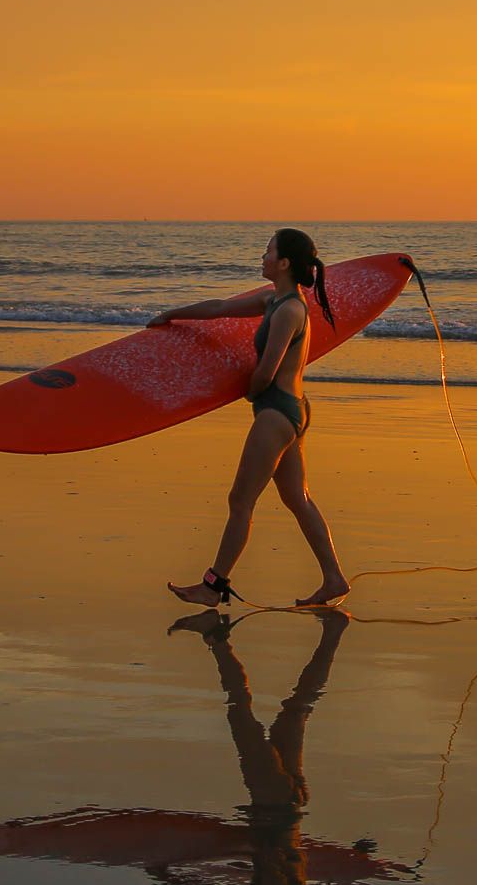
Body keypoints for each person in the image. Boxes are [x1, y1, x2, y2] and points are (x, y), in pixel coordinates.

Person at [147, 229, 349, 609]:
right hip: (292, 410)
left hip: (276, 413)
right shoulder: (274, 300)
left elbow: (266, 371)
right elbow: (219, 307)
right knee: (297, 499)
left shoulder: (289, 311)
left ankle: (213, 585)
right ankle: (334, 578)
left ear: (284, 262)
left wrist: (249, 391)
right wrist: (172, 315)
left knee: (241, 500)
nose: (263, 256)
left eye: (268, 250)